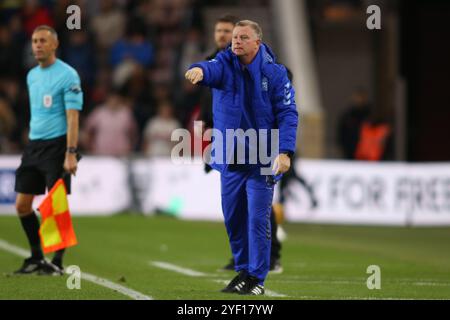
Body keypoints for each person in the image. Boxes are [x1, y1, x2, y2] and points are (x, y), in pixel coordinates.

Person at [185, 20, 298, 295]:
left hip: (263, 157)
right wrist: (197, 69)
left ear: (256, 43)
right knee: (233, 217)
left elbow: (288, 114)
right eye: (234, 37)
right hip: (232, 156)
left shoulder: (275, 74)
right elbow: (209, 68)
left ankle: (257, 278)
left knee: (258, 219)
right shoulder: (223, 64)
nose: (236, 41)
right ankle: (244, 271)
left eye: (243, 37)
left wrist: (284, 152)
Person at [13, 25, 83, 275]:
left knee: (55, 206)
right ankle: (35, 256)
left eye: (43, 40)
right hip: (35, 145)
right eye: (34, 41)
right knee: (22, 204)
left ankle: (57, 261)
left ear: (54, 44)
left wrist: (71, 152)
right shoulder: (32, 75)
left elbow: (73, 116)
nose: (37, 45)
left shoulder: (68, 75)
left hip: (58, 145)